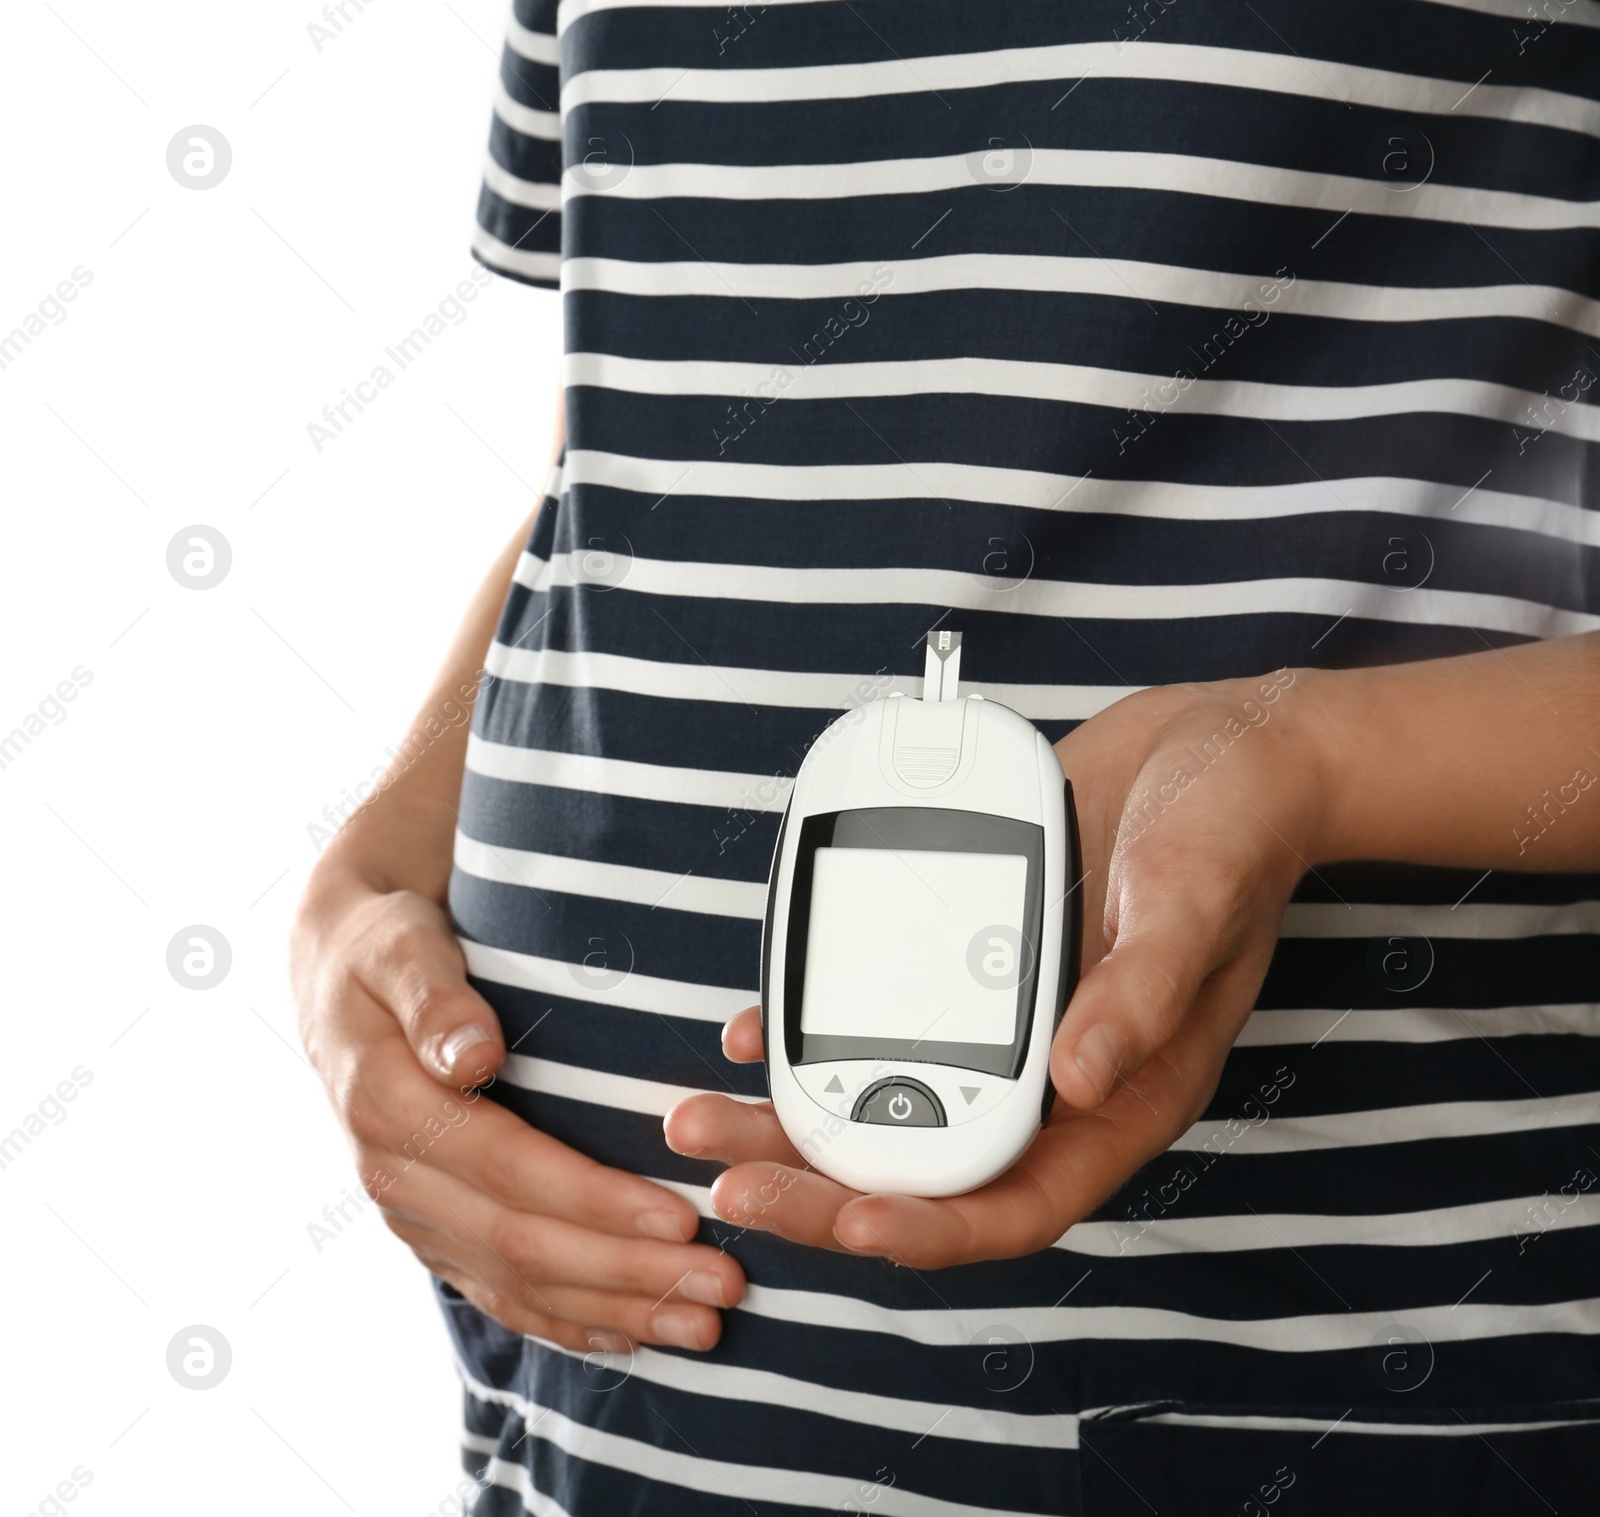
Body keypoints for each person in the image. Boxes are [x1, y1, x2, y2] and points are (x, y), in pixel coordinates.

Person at [291, 3, 1600, 1510]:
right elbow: (637, 437)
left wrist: (1315, 761)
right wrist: (375, 865)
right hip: (595, 1411)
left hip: (1274, 1384)